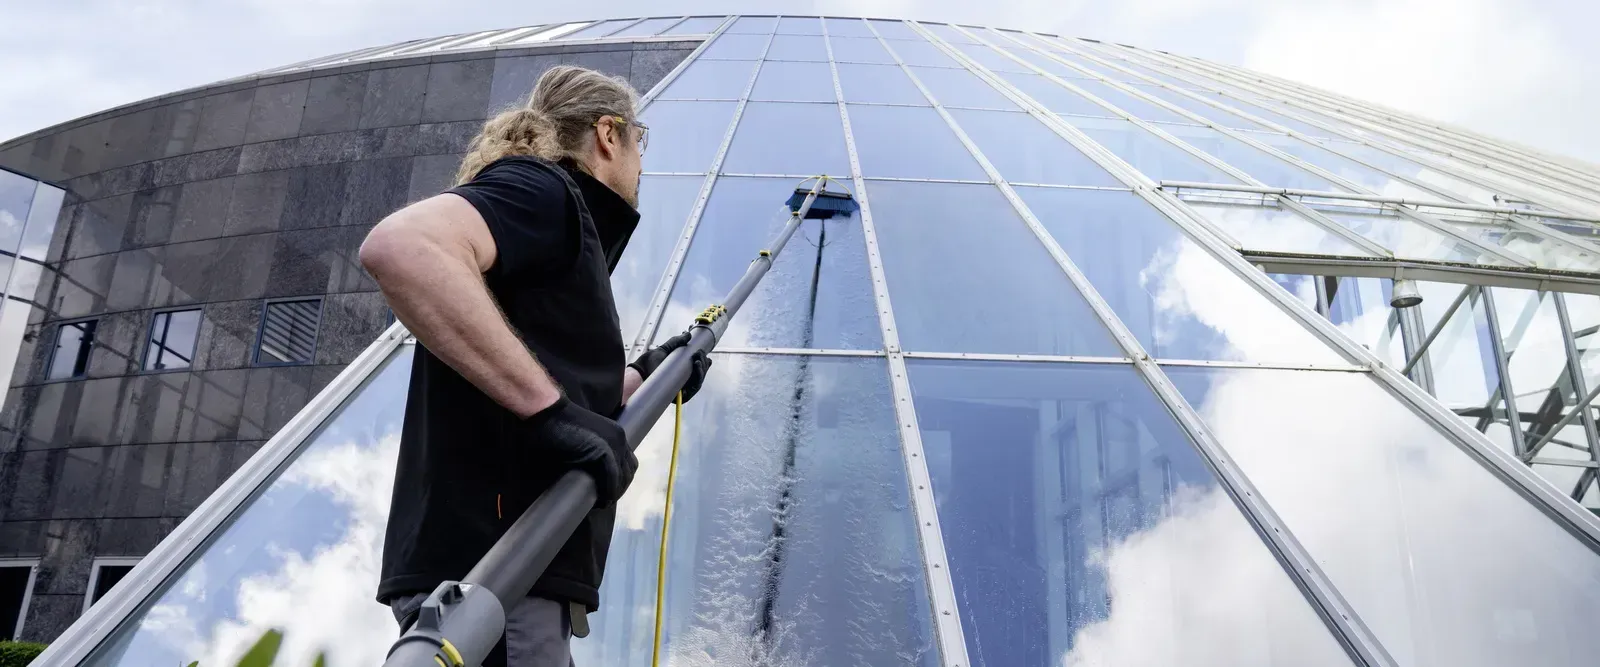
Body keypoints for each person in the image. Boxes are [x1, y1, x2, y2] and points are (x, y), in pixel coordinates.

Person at [360, 65, 711, 667]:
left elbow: (565, 399)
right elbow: (400, 247)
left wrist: (653, 372)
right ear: (608, 133)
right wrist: (548, 414)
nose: (641, 164)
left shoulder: (558, 222)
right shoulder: (545, 191)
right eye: (640, 141)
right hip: (498, 582)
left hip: (505, 580)